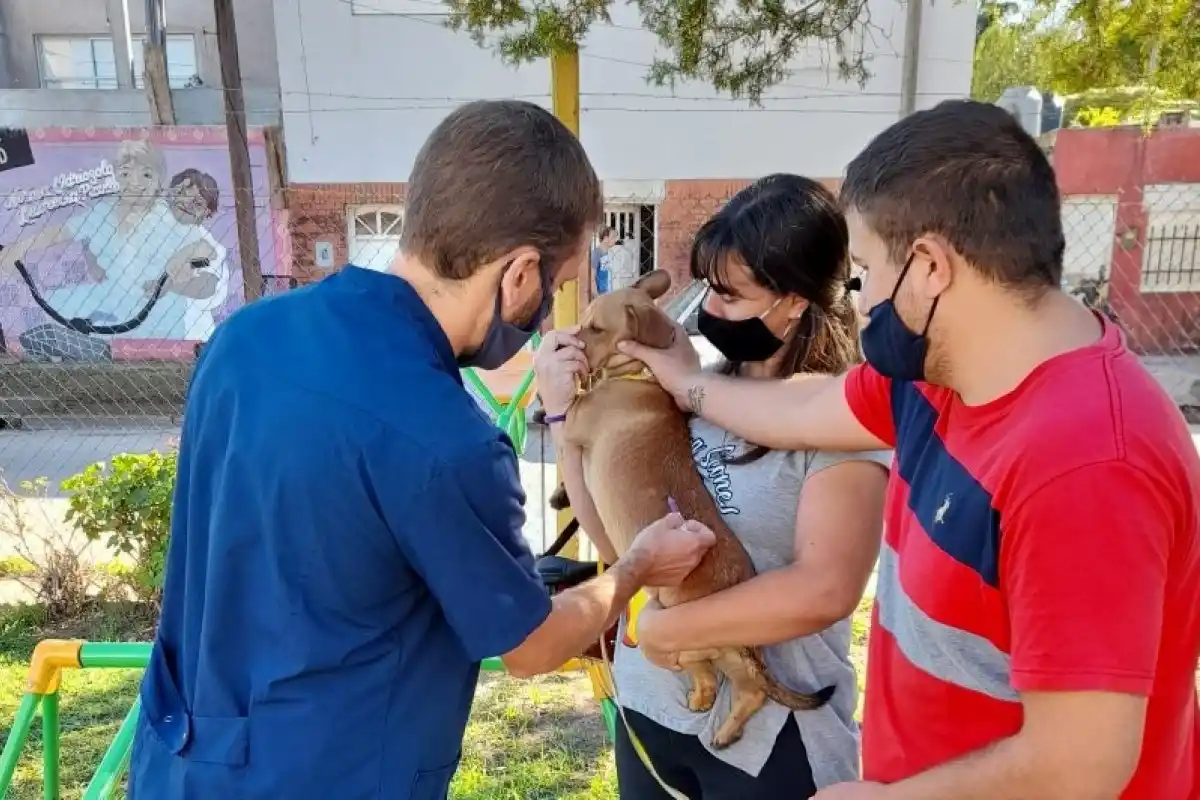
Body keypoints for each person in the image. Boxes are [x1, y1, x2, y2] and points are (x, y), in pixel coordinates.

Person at [126, 100, 716, 800]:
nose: (544, 310)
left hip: (182, 763)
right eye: (555, 286)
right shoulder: (447, 439)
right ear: (520, 272)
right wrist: (637, 567)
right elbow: (530, 647)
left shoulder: (244, 339)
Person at [620, 99, 1200, 799]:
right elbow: (808, 406)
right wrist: (687, 384)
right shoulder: (941, 381)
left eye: (863, 273)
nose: (856, 301)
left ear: (929, 266)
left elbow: (1080, 762)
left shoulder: (1088, 463)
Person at [534, 174, 890, 798]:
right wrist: (566, 420)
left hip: (773, 740)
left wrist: (671, 630)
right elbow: (615, 539)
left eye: (730, 295)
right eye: (708, 290)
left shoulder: (840, 418)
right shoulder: (688, 388)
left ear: (795, 300)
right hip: (655, 710)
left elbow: (824, 591)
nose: (709, 312)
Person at [593, 225, 616, 294]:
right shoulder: (596, 254)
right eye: (613, 237)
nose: (616, 240)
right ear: (606, 239)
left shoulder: (609, 253)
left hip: (608, 293)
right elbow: (592, 278)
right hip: (600, 294)